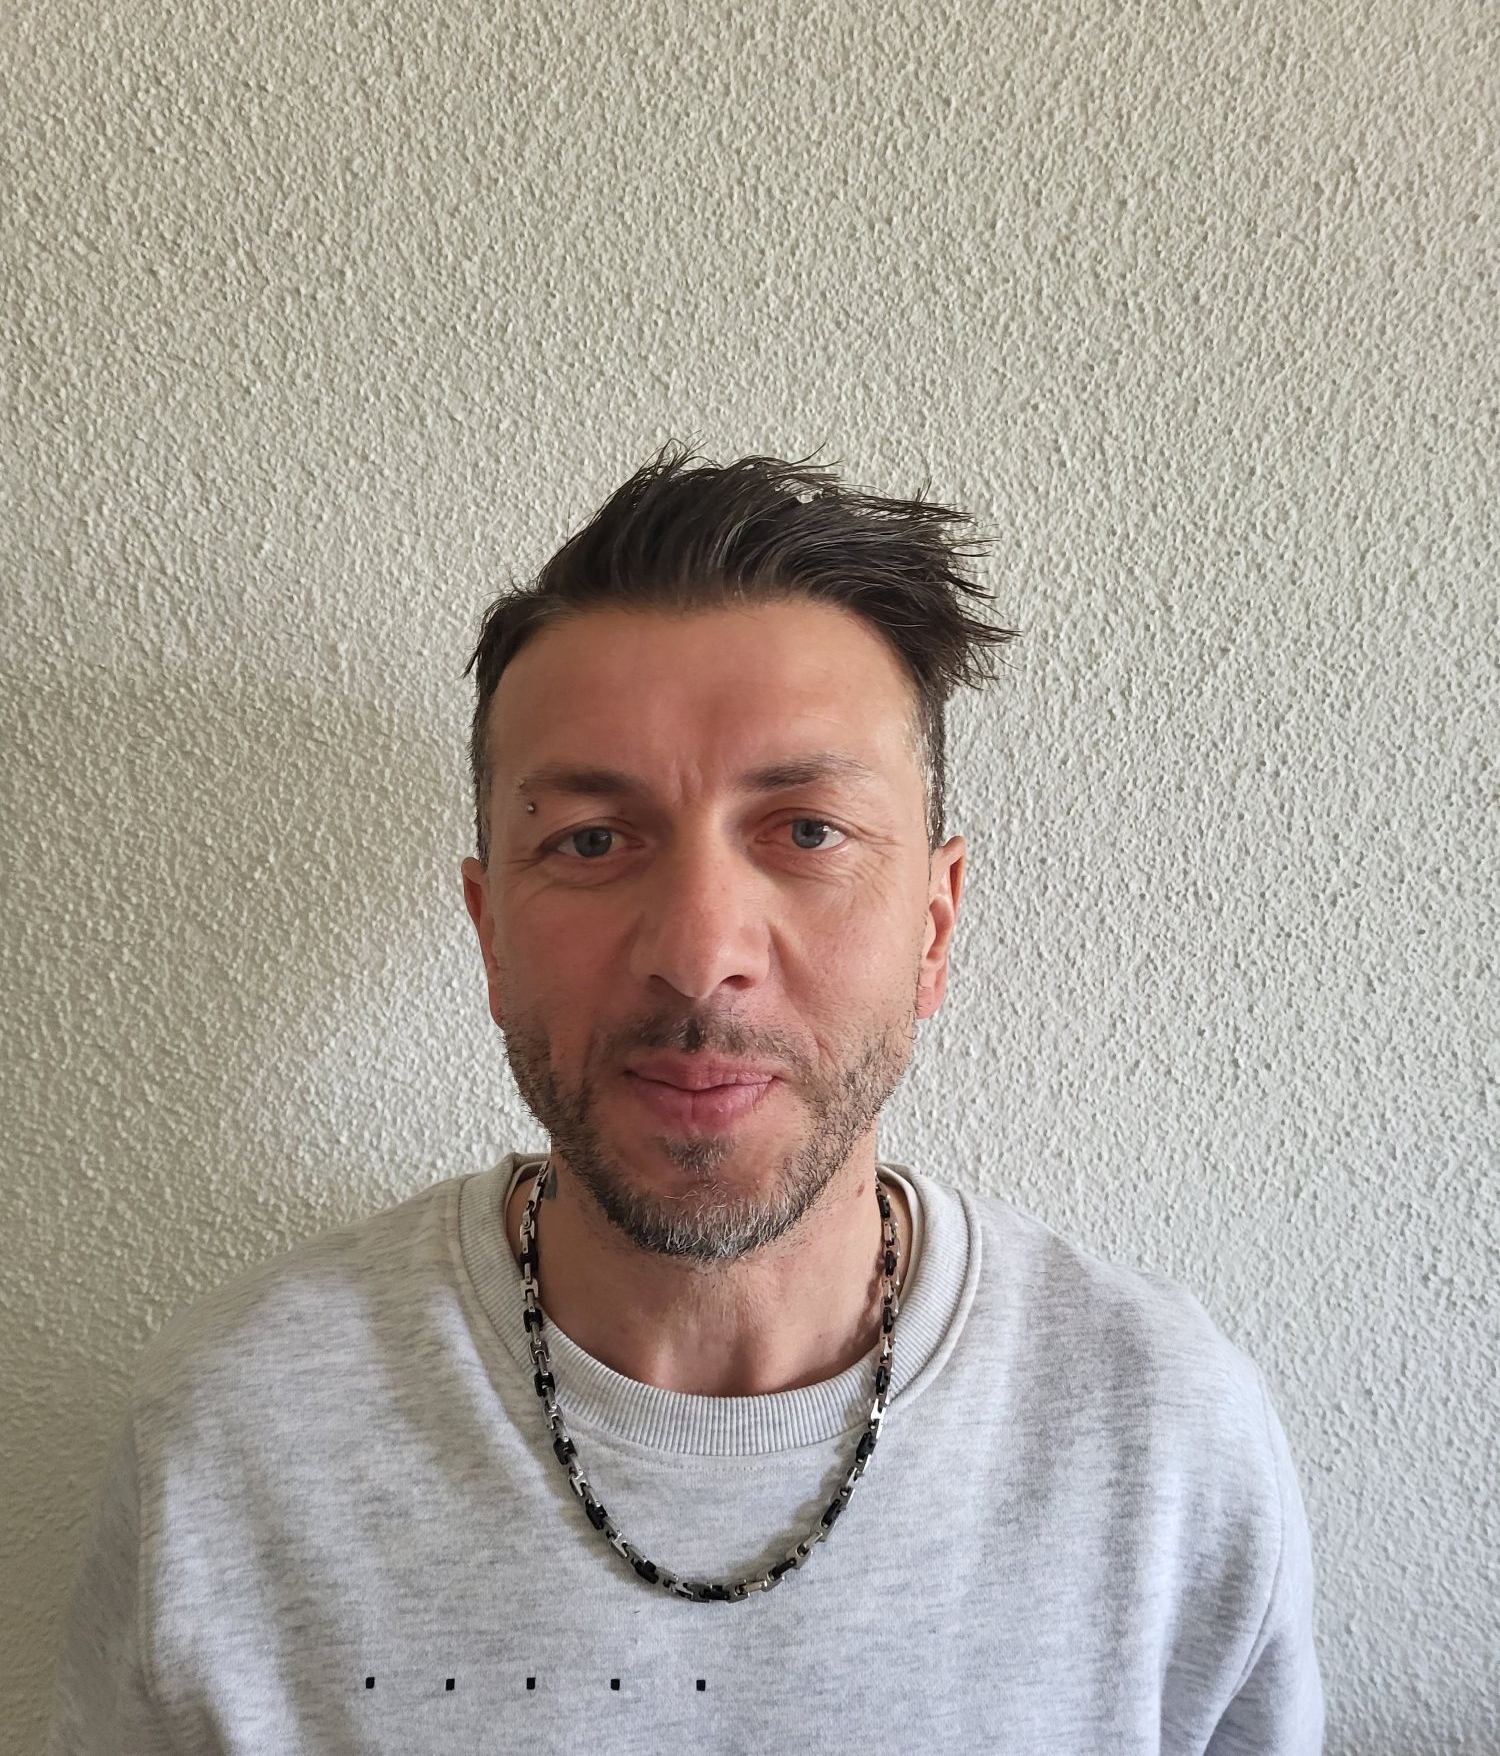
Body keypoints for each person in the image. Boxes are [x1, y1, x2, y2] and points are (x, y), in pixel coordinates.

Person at [47, 446, 1325, 1753]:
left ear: (935, 925)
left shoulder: (1162, 1440)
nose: (700, 949)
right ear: (490, 931)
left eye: (808, 831)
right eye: (593, 841)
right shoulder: (233, 1441)